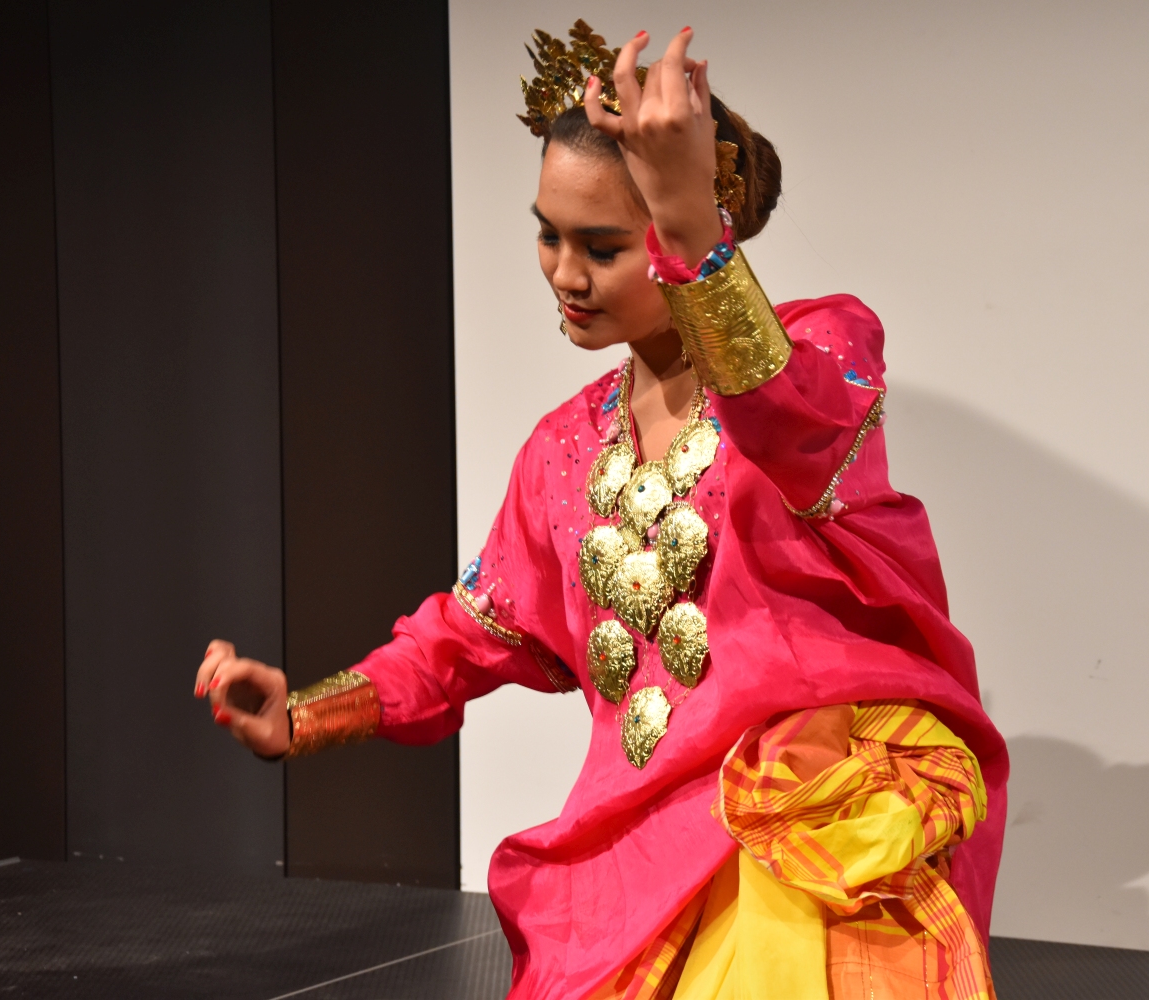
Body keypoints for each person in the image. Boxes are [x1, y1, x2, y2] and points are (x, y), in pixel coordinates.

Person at [195, 22, 1007, 1000]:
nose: (565, 274)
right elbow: (468, 634)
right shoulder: (563, 449)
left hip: (809, 819)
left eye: (604, 246)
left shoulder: (821, 351)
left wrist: (691, 227)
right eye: (549, 234)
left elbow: (784, 418)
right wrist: (307, 713)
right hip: (644, 842)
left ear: (685, 230)